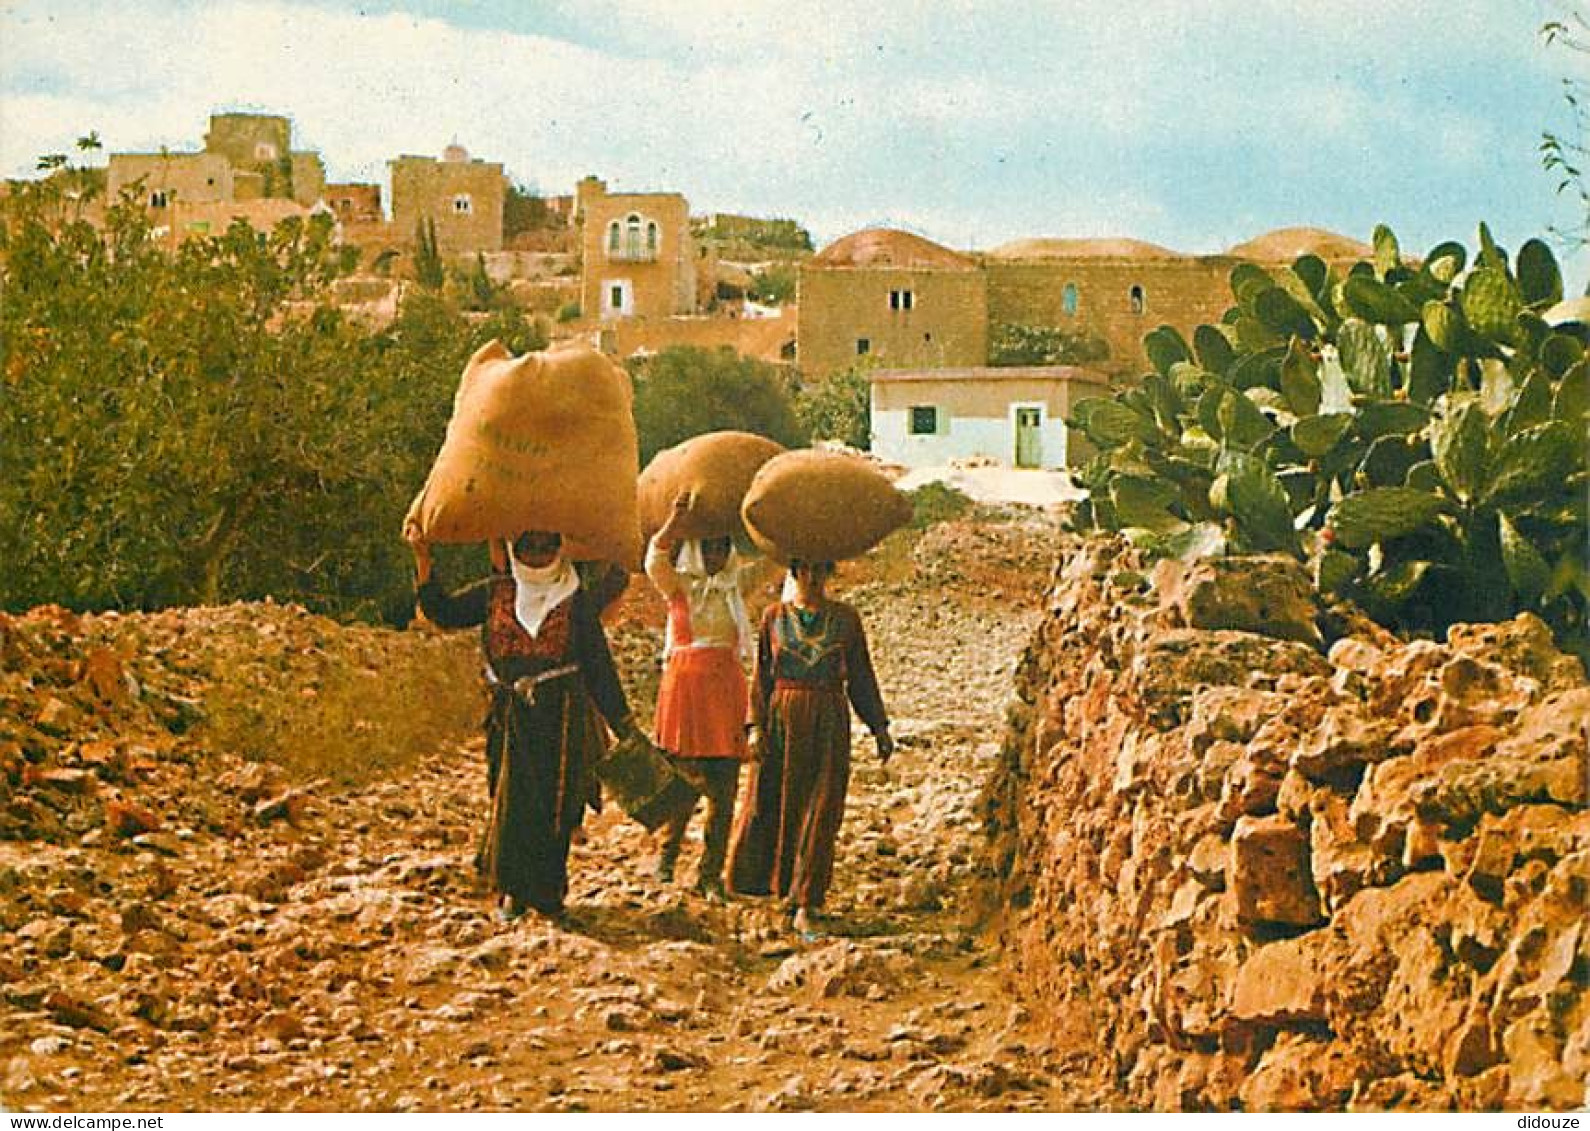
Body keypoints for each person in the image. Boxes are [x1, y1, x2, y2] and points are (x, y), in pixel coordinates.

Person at [408, 528, 643, 922]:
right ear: (515, 550)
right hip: (511, 717)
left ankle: (549, 893)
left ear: (559, 549)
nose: (536, 556)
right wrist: (424, 559)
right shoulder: (494, 593)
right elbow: (444, 612)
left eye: (545, 546)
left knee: (558, 805)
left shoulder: (575, 602)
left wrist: (625, 726)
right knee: (513, 801)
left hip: (562, 719)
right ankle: (512, 892)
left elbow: (599, 668)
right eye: (527, 547)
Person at [726, 558, 893, 937]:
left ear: (829, 573)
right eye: (806, 570)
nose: (814, 578)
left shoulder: (846, 620)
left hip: (828, 721)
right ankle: (773, 887)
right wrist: (755, 727)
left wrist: (879, 727)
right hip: (782, 719)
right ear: (795, 572)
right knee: (776, 800)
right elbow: (762, 679)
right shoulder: (774, 617)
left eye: (821, 571)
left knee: (821, 806)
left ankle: (806, 901)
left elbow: (861, 677)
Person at [645, 494, 776, 897]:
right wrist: (674, 522)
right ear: (696, 551)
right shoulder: (679, 585)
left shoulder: (736, 587)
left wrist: (770, 518)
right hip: (686, 694)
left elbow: (774, 559)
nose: (717, 554)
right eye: (709, 547)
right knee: (683, 784)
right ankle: (666, 861)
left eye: (722, 546)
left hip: (726, 692)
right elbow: (654, 560)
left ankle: (709, 875)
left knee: (724, 789)